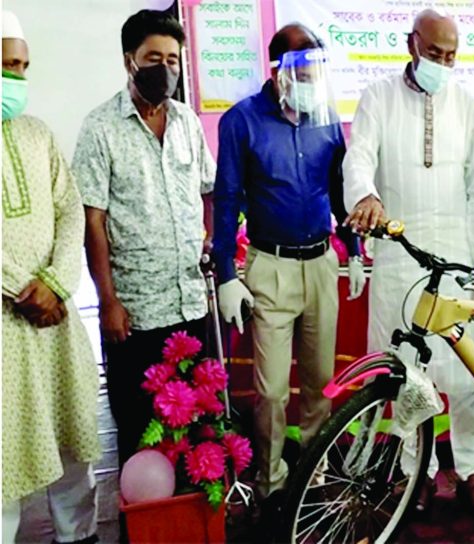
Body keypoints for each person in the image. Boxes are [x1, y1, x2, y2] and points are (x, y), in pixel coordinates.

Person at [343, 9, 474, 524]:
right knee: (411, 371)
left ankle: (473, 469)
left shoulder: (465, 103)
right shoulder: (378, 97)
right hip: (400, 253)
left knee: (469, 371)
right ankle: (418, 470)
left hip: (456, 255)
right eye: (435, 53)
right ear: (411, 44)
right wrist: (365, 195)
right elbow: (358, 157)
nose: (443, 63)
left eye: (452, 55)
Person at [212, 24, 365, 509]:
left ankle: (312, 470)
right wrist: (226, 275)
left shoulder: (326, 118)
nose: (311, 79)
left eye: (319, 68)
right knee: (273, 390)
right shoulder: (242, 121)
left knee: (320, 382)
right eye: (302, 69)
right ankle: (272, 480)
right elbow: (227, 200)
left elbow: (340, 193)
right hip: (270, 267)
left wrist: (355, 251)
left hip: (321, 263)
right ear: (277, 70)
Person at [72, 9, 215, 467]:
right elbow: (92, 220)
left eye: (174, 60)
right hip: (133, 312)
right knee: (140, 430)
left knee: (195, 426)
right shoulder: (100, 128)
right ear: (129, 60)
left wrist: (207, 237)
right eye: (155, 57)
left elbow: (207, 190)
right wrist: (107, 300)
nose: (166, 69)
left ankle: (193, 523)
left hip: (189, 303)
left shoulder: (188, 121)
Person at [2, 11, 101, 544]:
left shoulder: (37, 135)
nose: (14, 80)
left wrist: (57, 282)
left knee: (70, 443)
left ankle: (79, 535)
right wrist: (23, 287)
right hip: (5, 327)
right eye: (5, 66)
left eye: (21, 67)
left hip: (53, 319)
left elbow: (70, 210)